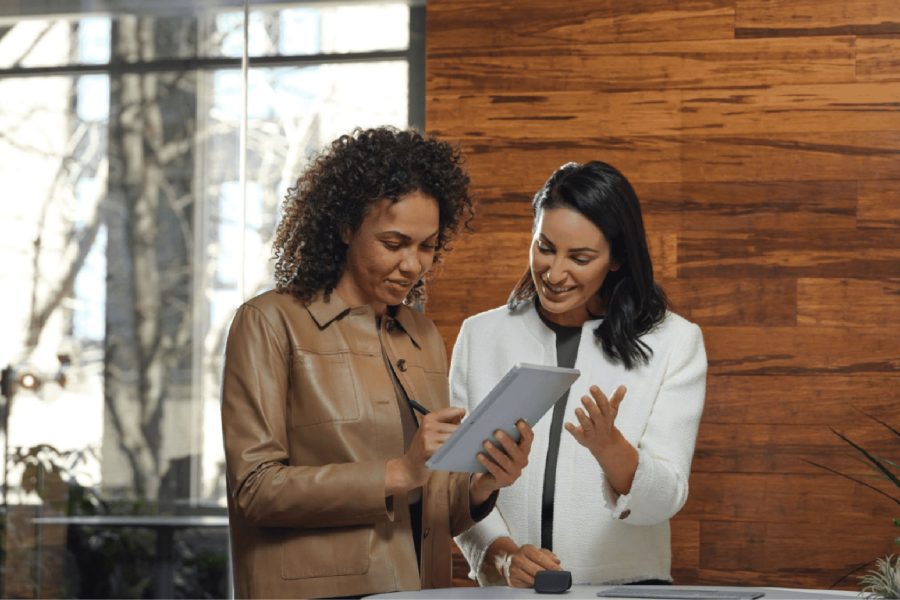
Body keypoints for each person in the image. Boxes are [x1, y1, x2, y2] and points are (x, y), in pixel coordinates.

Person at [221, 127, 534, 599]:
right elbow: (255, 490)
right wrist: (398, 472)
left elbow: (432, 507)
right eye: (394, 243)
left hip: (418, 591)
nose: (414, 265)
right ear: (346, 227)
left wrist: (482, 484)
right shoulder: (268, 323)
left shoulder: (423, 336)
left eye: (427, 246)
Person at [450, 160, 707, 587]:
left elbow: (667, 497)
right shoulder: (481, 336)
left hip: (626, 592)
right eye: (545, 247)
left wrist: (611, 449)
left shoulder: (674, 342)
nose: (554, 273)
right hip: (512, 593)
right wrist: (502, 556)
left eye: (580, 258)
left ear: (618, 258)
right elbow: (456, 486)